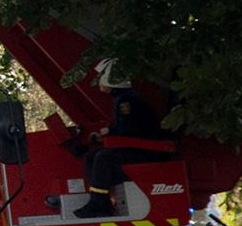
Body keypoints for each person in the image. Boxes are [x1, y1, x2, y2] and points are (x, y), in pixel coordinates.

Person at [72, 87, 180, 218]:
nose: (100, 85)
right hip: (141, 148)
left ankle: (99, 203)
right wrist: (107, 133)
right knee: (92, 156)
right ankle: (101, 201)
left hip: (147, 152)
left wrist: (110, 132)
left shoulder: (126, 100)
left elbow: (129, 128)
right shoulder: (125, 97)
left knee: (103, 157)